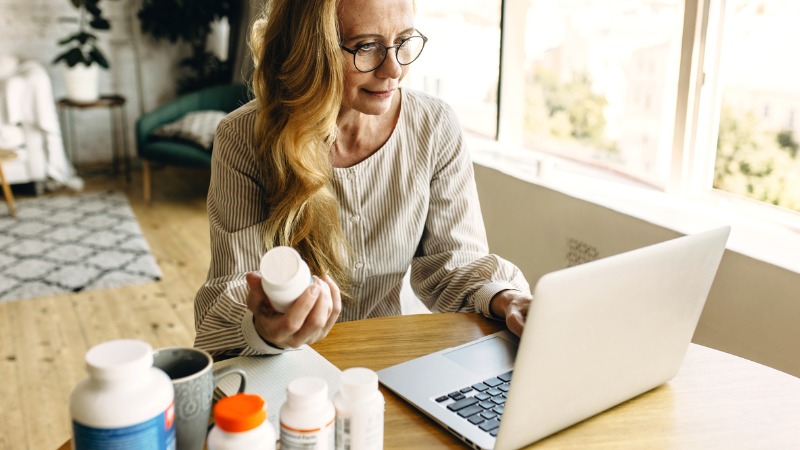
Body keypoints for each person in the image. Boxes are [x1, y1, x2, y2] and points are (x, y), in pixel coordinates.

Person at [194, 0, 533, 359]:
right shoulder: (244, 137)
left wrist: (505, 297)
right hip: (287, 363)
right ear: (311, 50)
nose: (394, 69)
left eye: (403, 40)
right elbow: (230, 291)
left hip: (388, 358)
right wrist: (265, 326)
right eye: (366, 46)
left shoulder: (434, 126)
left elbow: (454, 263)